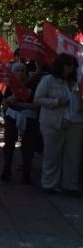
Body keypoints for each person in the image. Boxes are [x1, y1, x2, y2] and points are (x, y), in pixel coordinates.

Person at [34, 53, 83, 195]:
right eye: (68, 64)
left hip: (76, 122)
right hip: (54, 123)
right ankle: (49, 184)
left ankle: (70, 185)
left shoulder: (76, 82)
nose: (71, 67)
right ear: (60, 65)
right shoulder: (48, 80)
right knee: (52, 155)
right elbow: (38, 99)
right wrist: (56, 102)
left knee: (73, 156)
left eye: (73, 64)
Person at [1, 62, 41, 184]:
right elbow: (4, 101)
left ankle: (26, 174)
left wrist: (18, 104)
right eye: (18, 70)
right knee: (8, 143)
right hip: (12, 117)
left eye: (23, 70)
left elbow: (36, 105)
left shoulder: (34, 86)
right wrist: (8, 101)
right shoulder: (10, 85)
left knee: (28, 147)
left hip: (29, 118)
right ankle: (6, 169)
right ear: (13, 73)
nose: (21, 73)